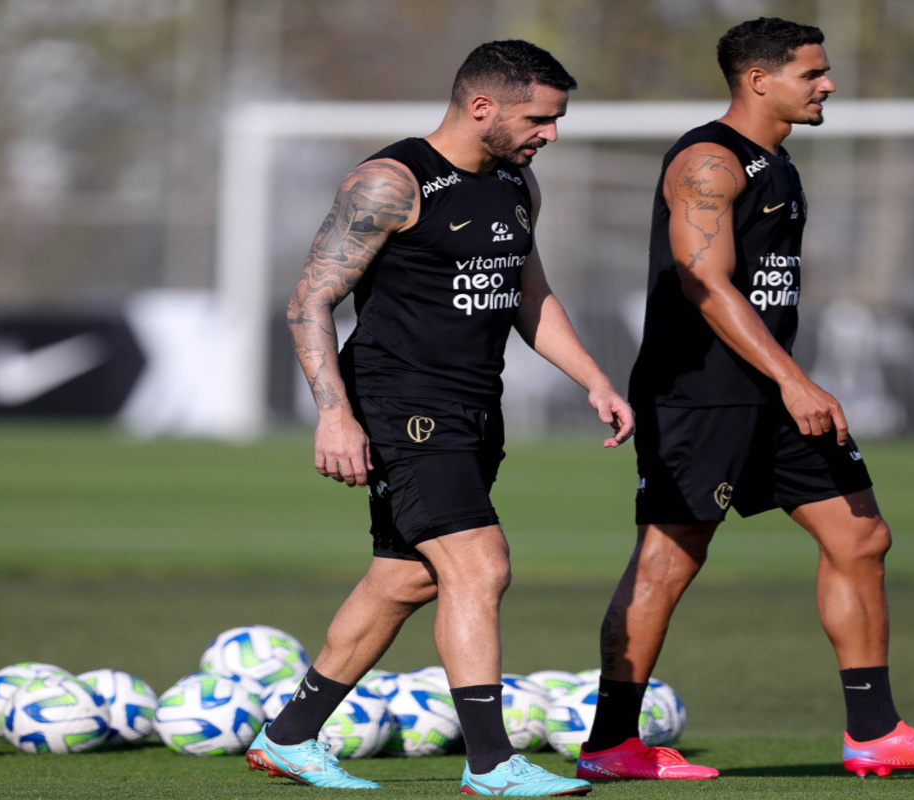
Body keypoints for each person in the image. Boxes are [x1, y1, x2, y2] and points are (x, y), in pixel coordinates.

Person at [575, 17, 914, 781]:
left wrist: (784, 381)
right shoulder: (708, 161)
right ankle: (611, 745)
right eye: (814, 74)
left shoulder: (781, 165)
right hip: (700, 395)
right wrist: (795, 378)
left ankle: (874, 732)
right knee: (669, 561)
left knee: (861, 537)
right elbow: (705, 284)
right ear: (759, 80)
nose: (829, 84)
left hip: (770, 390)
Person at [246, 40, 633, 795]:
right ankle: (490, 762)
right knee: (480, 565)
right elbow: (309, 300)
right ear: (482, 106)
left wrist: (593, 378)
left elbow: (528, 292)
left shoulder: (519, 183)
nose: (550, 134)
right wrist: (335, 416)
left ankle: (288, 736)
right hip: (399, 403)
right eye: (540, 119)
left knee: (405, 580)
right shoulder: (388, 182)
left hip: (471, 406)